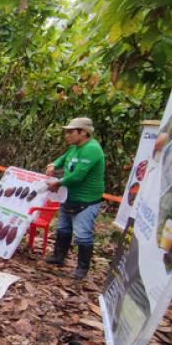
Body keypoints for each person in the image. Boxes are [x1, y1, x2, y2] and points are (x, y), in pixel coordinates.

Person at [44, 117, 105, 280]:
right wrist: (53, 165)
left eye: (71, 132)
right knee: (63, 228)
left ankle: (82, 268)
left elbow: (78, 175)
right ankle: (58, 257)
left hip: (87, 200)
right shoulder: (75, 147)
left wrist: (59, 182)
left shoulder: (91, 149)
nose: (67, 135)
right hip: (69, 196)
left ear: (83, 132)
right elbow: (63, 158)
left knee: (83, 234)